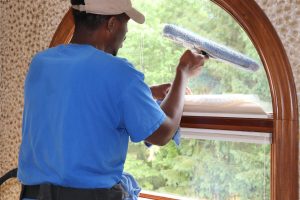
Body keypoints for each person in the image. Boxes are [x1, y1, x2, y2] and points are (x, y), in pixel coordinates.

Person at [17, 0, 207, 199]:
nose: (126, 32)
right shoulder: (120, 73)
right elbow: (162, 133)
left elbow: (81, 98)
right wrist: (183, 72)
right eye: (126, 22)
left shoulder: (42, 63)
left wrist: (146, 93)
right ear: (111, 24)